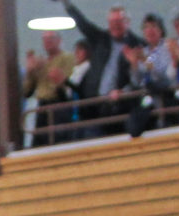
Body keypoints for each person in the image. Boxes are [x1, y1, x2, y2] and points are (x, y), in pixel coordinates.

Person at [56, 1, 145, 133]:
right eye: (112, 22)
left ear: (127, 22)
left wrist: (125, 91)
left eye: (119, 21)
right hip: (93, 105)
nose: (115, 25)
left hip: (119, 107)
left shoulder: (138, 45)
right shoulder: (101, 39)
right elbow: (83, 24)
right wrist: (67, 4)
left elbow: (145, 74)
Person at [24, 31, 76, 146]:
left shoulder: (67, 58)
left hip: (59, 104)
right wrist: (30, 72)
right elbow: (27, 91)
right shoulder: (40, 62)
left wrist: (46, 68)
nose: (47, 42)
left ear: (59, 40)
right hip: (42, 106)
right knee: (39, 142)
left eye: (51, 39)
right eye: (45, 39)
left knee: (58, 140)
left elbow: (64, 80)